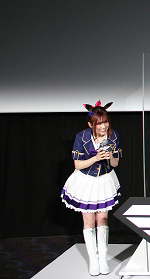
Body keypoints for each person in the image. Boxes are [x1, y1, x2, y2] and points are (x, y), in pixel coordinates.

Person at [60, 101, 121, 276]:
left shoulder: (114, 136)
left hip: (105, 180)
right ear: (90, 124)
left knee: (103, 219)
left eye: (105, 122)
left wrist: (110, 157)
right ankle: (93, 260)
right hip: (86, 180)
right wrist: (95, 158)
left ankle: (103, 260)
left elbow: (115, 163)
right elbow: (78, 165)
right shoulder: (82, 137)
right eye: (99, 123)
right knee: (88, 221)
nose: (103, 126)